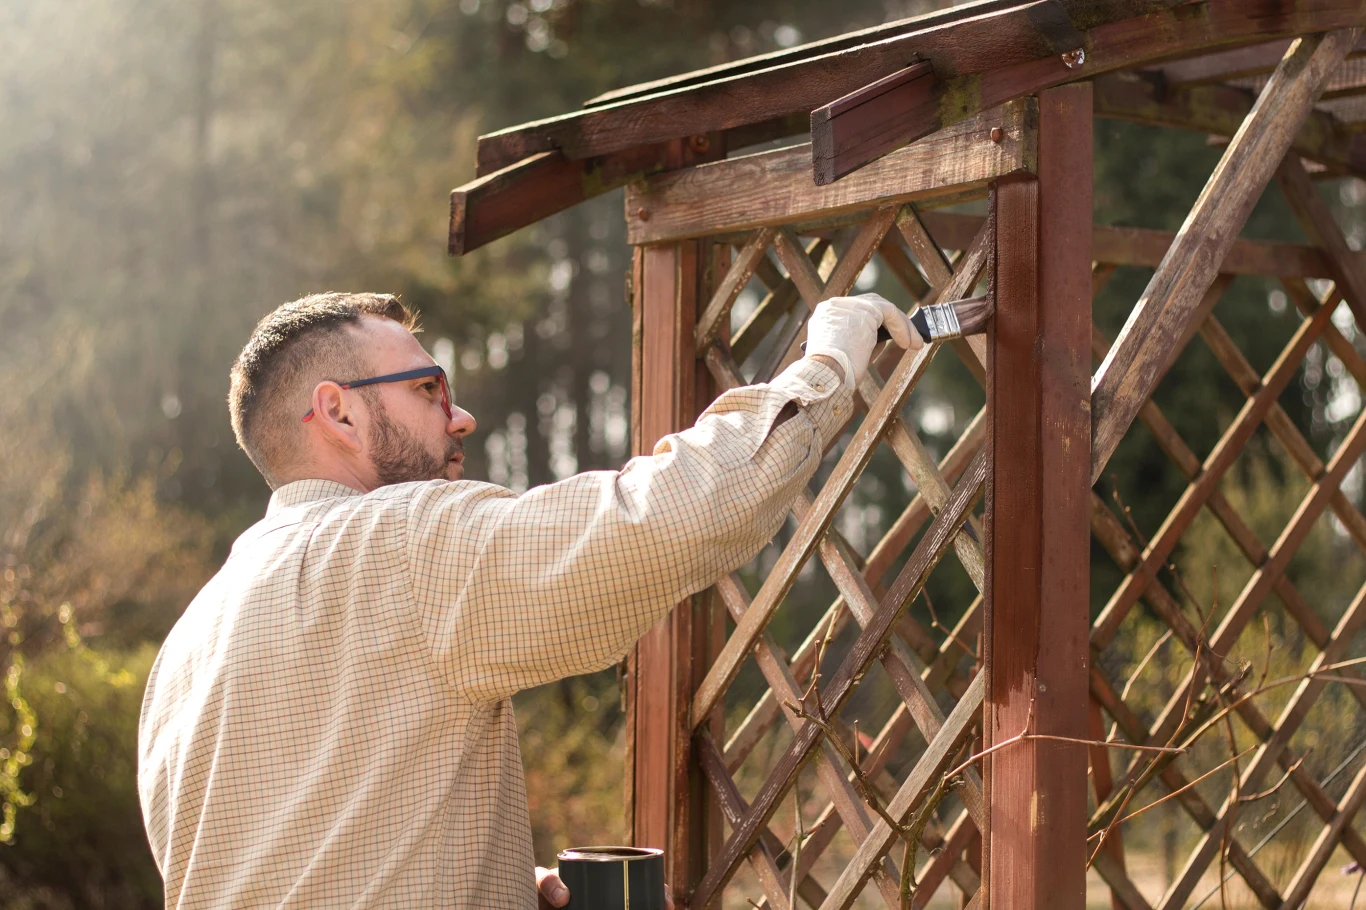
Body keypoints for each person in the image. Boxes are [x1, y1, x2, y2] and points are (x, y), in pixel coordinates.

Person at [137, 290, 917, 909]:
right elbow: (672, 515)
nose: (461, 415)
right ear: (338, 410)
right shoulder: (402, 545)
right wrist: (827, 362)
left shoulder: (190, 640)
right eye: (428, 389)